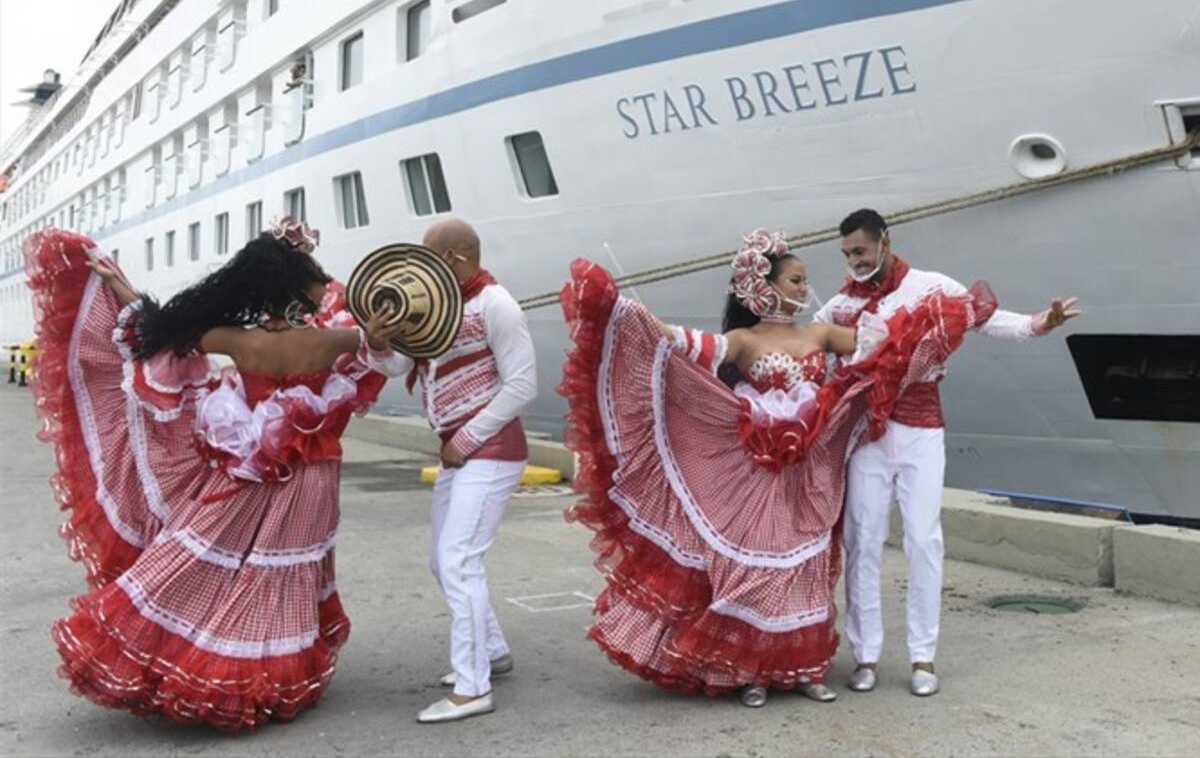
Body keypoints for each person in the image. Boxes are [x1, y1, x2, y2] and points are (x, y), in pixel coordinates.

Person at [559, 228, 1001, 707]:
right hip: (759, 469)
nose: (803, 289)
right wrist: (626, 314)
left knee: (809, 563)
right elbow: (682, 345)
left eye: (803, 280)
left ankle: (805, 670)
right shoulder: (743, 340)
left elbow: (888, 347)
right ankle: (751, 670)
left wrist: (948, 320)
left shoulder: (820, 332)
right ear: (763, 287)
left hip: (813, 466)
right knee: (761, 565)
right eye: (794, 280)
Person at [23, 217, 409, 731]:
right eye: (315, 276)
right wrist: (376, 338)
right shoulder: (332, 340)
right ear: (295, 289)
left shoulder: (234, 338)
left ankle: (203, 663)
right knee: (282, 572)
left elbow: (156, 332)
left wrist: (118, 287)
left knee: (206, 561)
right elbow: (390, 362)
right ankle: (265, 677)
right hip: (310, 475)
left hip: (243, 469)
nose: (323, 283)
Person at [814, 209, 1080, 697]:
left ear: (885, 242)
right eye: (847, 254)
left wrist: (1043, 323)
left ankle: (922, 656)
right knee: (863, 540)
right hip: (866, 435)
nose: (854, 262)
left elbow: (989, 320)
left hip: (921, 430)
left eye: (861, 251)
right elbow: (809, 356)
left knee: (923, 539)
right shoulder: (835, 308)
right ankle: (866, 655)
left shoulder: (931, 287)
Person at [391, 218, 537, 724]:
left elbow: (523, 386)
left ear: (455, 257)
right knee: (442, 559)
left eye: (430, 258)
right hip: (460, 453)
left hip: (490, 451)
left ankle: (472, 688)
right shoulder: (438, 306)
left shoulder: (497, 305)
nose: (420, 269)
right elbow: (395, 366)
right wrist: (379, 339)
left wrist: (466, 439)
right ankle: (491, 653)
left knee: (458, 560)